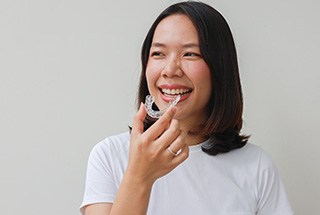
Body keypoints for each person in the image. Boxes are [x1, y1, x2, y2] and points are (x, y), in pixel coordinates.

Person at [80, 1, 293, 214]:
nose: (170, 70)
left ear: (220, 67)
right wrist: (139, 177)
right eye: (158, 54)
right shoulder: (109, 155)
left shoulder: (256, 166)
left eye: (190, 54)